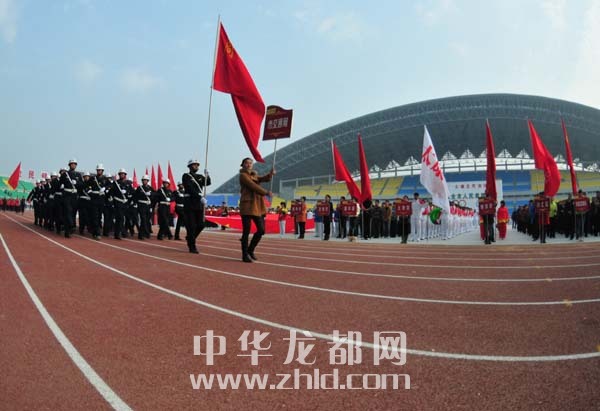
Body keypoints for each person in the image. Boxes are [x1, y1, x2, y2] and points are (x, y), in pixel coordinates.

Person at [238, 157, 274, 262]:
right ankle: (244, 255)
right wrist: (266, 192)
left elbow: (263, 179)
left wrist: (270, 174)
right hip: (247, 206)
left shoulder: (254, 175)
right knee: (246, 231)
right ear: (243, 164)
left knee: (261, 230)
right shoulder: (243, 175)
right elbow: (252, 185)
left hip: (257, 206)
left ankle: (250, 250)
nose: (249, 164)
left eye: (250, 163)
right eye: (246, 163)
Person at [182, 159, 211, 253]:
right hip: (190, 203)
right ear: (190, 166)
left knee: (201, 224)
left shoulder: (200, 176)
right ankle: (192, 246)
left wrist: (207, 175)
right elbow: (189, 188)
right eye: (194, 165)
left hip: (198, 204)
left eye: (197, 165)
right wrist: (199, 197)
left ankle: (190, 238)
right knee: (191, 226)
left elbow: (207, 183)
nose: (196, 166)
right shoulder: (186, 176)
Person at [135, 175, 153, 240]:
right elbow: (135, 196)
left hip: (148, 206)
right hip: (141, 205)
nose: (144, 181)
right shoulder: (139, 188)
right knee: (143, 219)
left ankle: (141, 235)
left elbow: (155, 194)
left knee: (147, 220)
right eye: (143, 180)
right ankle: (147, 233)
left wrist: (151, 194)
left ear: (147, 181)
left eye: (145, 180)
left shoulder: (150, 188)